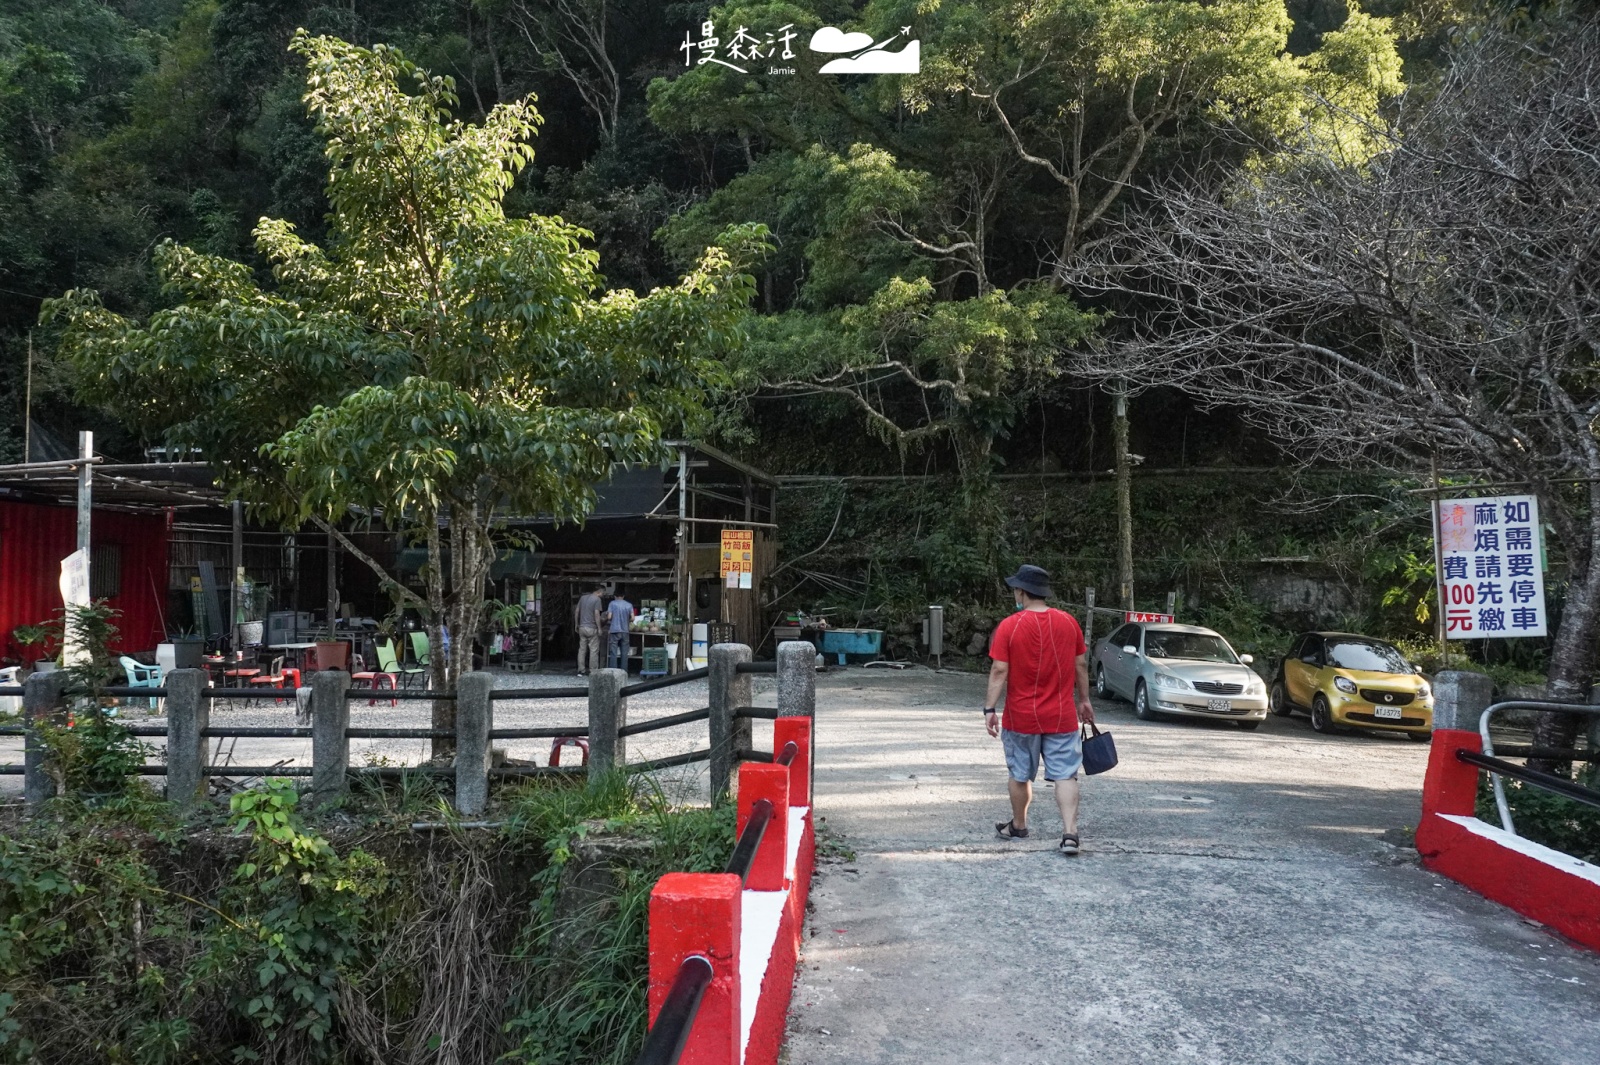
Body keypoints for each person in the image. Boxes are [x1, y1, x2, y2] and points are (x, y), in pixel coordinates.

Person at [983, 564, 1095, 855]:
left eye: (1016, 590)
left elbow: (999, 670)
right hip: (1061, 716)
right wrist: (1084, 700)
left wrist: (989, 708)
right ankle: (1070, 833)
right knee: (1065, 775)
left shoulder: (1010, 625)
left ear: (1022, 592)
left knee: (1020, 773)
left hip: (1021, 717)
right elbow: (1080, 664)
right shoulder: (1068, 622)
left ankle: (1019, 825)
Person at [574, 583, 606, 676]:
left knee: (582, 649)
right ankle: (593, 671)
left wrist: (576, 624)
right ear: (600, 591)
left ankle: (581, 670)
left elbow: (576, 611)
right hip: (592, 628)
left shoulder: (583, 598)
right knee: (593, 650)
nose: (603, 594)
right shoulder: (597, 599)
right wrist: (599, 627)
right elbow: (597, 614)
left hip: (582, 627)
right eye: (603, 592)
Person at [605, 589, 635, 671]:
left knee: (613, 652)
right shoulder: (629, 605)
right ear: (623, 596)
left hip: (614, 630)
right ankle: (624, 671)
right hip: (625, 631)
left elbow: (609, 617)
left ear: (615, 596)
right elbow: (633, 618)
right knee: (624, 653)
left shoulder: (612, 604)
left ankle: (613, 671)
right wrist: (627, 620)